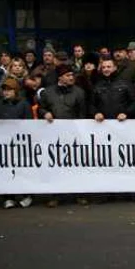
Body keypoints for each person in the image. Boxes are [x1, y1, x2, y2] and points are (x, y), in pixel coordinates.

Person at [38, 65, 87, 207]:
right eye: (68, 75)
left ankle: (79, 194)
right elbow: (41, 107)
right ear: (60, 78)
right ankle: (55, 195)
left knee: (76, 165)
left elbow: (82, 113)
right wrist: (44, 113)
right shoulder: (48, 92)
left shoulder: (79, 92)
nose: (71, 77)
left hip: (73, 134)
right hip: (54, 134)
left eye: (72, 75)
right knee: (56, 165)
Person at [0, 78, 33, 209]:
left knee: (23, 171)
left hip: (20, 143)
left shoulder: (24, 104)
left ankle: (27, 195)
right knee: (6, 171)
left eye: (9, 90)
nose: (6, 92)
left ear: (16, 91)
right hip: (5, 143)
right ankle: (9, 197)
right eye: (4, 90)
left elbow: (29, 123)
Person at [91, 58, 135, 122]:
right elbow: (92, 104)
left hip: (122, 123)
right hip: (103, 124)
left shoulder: (125, 83)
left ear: (115, 67)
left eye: (108, 67)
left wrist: (126, 113)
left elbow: (134, 102)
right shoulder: (97, 85)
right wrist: (96, 113)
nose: (106, 69)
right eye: (103, 67)